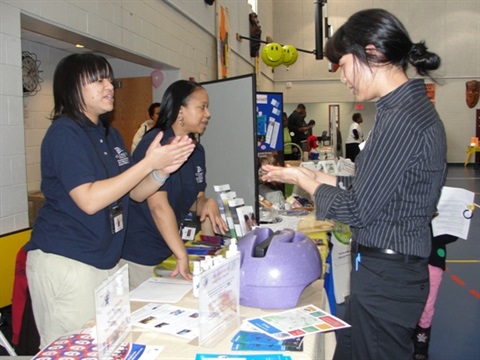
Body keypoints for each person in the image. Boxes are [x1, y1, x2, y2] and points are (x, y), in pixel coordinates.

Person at [261, 8, 446, 360]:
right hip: (388, 269)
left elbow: (358, 209)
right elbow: (375, 186)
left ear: (371, 52)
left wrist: (304, 179)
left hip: (388, 275)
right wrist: (315, 176)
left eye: (343, 65)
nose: (343, 78)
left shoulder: (402, 119)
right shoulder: (401, 110)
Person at [23, 53, 195, 348]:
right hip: (69, 261)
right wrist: (147, 162)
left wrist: (160, 173)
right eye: (98, 79)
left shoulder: (109, 134)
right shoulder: (65, 133)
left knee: (108, 346)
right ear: (72, 87)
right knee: (72, 349)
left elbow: (133, 192)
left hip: (105, 259)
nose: (109, 86)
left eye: (109, 79)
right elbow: (89, 200)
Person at [121, 80, 228, 289]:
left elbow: (193, 200)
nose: (208, 114)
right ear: (181, 110)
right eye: (202, 107)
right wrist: (181, 253)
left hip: (169, 248)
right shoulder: (155, 144)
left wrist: (207, 203)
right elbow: (158, 207)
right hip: (142, 253)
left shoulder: (196, 150)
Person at [413, 226, 458, 360]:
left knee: (427, 306)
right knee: (403, 302)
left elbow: (452, 235)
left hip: (433, 260)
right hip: (405, 258)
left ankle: (421, 345)